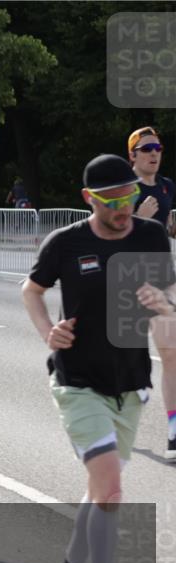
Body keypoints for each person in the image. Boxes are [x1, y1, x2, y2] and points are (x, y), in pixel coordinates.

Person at [22, 154, 175, 563]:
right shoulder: (66, 243)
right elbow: (32, 289)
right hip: (78, 382)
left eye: (129, 196)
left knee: (99, 489)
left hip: (129, 385)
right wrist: (51, 333)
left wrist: (165, 306)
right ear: (90, 200)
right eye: (112, 201)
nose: (124, 208)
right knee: (111, 488)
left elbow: (171, 303)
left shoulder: (152, 237)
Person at [127, 128, 176, 461]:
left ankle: (173, 430)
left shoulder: (168, 186)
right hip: (123, 278)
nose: (154, 153)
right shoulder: (120, 188)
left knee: (171, 354)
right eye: (146, 148)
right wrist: (136, 218)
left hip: (160, 279)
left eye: (157, 147)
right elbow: (101, 232)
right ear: (133, 155)